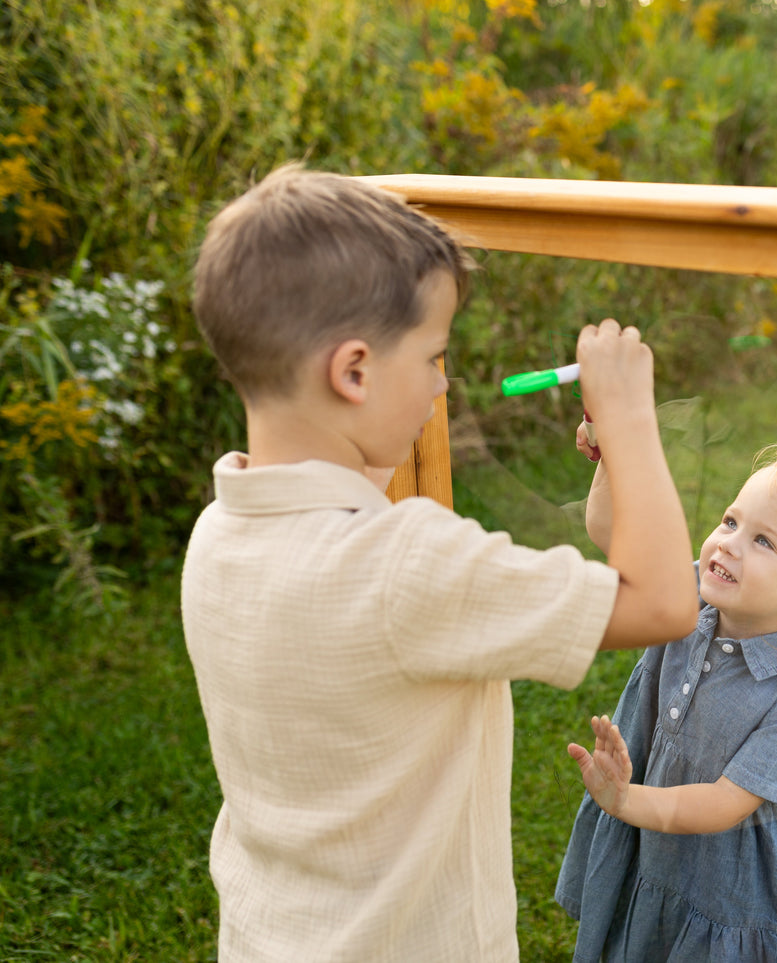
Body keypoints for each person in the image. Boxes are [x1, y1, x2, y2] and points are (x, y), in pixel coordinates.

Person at [180, 164, 697, 963]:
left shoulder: (221, 530)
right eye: (431, 357)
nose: (441, 381)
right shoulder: (405, 565)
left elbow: (342, 493)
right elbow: (663, 601)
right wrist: (629, 419)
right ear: (353, 371)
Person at [556, 442, 777, 962]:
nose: (729, 544)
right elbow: (616, 535)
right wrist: (612, 446)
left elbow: (724, 803)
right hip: (657, 849)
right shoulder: (689, 597)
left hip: (732, 896)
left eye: (763, 541)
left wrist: (626, 802)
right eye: (730, 522)